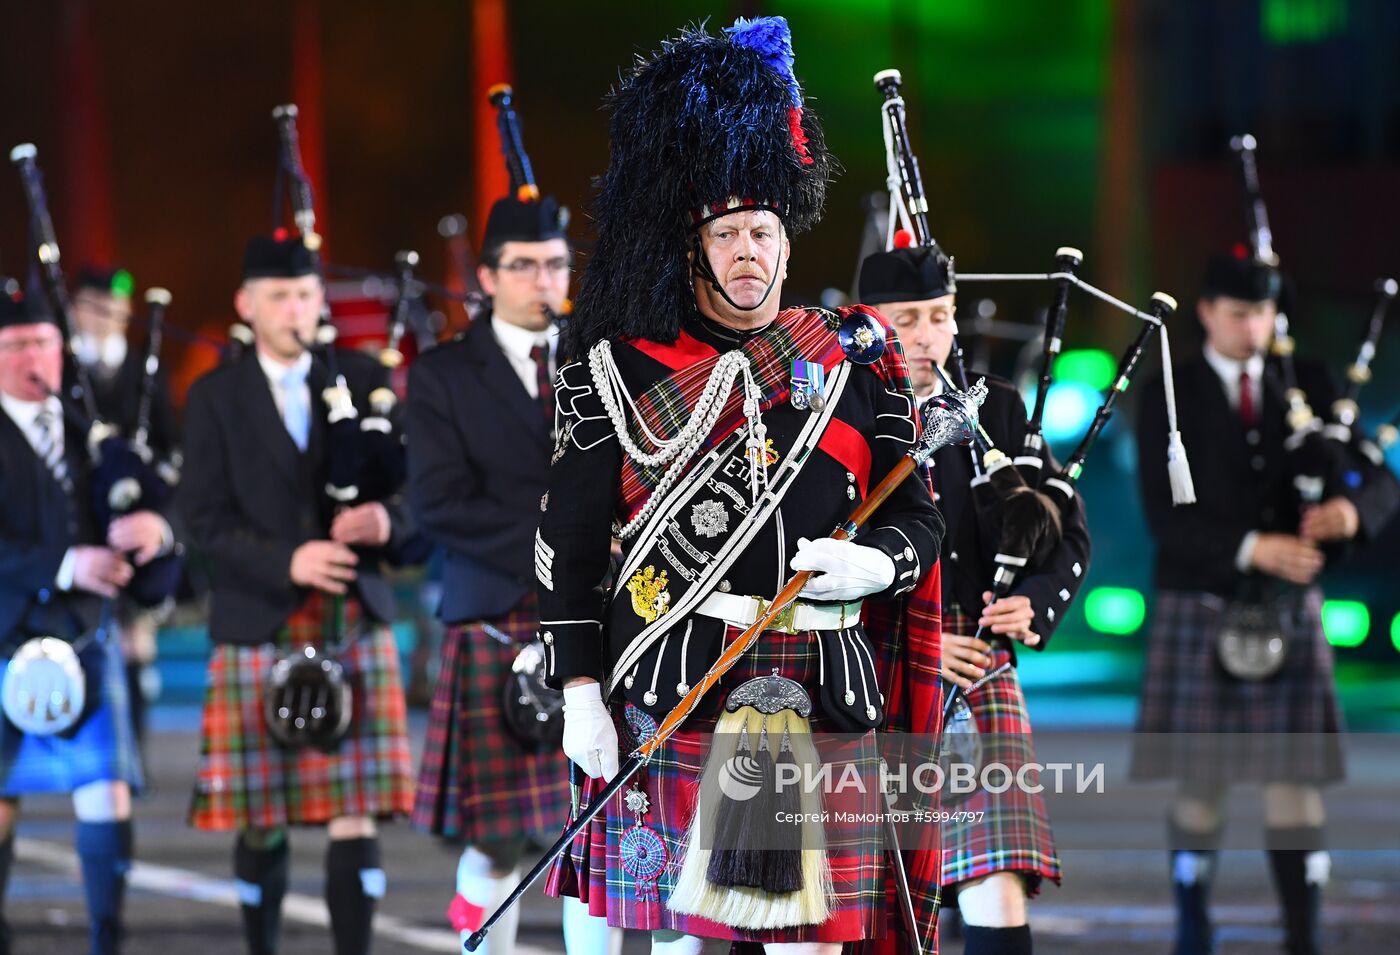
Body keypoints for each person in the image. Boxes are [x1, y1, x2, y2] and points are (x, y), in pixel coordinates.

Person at [535, 17, 948, 954]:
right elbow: (570, 537)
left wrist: (873, 566)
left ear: (789, 246)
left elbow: (919, 519)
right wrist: (579, 689)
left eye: (763, 230)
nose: (749, 251)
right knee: (681, 942)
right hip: (684, 675)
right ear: (696, 249)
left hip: (824, 681)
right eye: (728, 234)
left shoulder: (854, 362)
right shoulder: (620, 369)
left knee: (811, 942)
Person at [1133, 253, 1399, 955]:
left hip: (1288, 606)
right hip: (1202, 599)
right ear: (1208, 311)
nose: (1257, 327)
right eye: (1242, 313)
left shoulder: (1305, 381)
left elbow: (1372, 475)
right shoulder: (1169, 389)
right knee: (1202, 779)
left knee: (1295, 778)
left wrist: (1351, 511)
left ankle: (1303, 935)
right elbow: (1165, 518)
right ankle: (1194, 924)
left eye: (1268, 313)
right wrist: (1253, 546)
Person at [178, 235, 416, 955]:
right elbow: (202, 520)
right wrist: (291, 559)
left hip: (352, 614)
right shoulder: (216, 395)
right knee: (260, 815)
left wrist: (387, 519)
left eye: (307, 295)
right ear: (246, 307)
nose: (296, 309)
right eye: (279, 296)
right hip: (259, 617)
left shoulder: (362, 376)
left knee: (355, 810)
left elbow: (417, 490)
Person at [858, 245, 1091, 955]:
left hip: (977, 666)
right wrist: (917, 639)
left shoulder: (999, 407)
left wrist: (1035, 600)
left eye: (940, 316)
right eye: (907, 320)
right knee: (874, 895)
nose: (928, 336)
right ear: (870, 325)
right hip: (877, 663)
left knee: (994, 878)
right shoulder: (847, 413)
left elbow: (1066, 529)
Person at [408, 192, 616, 954]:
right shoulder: (441, 375)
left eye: (556, 264)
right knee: (499, 840)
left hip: (599, 624)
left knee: (591, 831)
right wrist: (568, 539)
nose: (543, 280)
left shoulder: (603, 361)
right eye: (523, 266)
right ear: (488, 277)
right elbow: (438, 504)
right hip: (497, 614)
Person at [0, 278, 174, 953]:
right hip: (7, 628)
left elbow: (155, 487)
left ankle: (108, 936)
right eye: (14, 345)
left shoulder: (86, 427)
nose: (31, 357)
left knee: (107, 792)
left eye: (42, 341)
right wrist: (66, 564)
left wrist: (155, 523)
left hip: (84, 631)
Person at [70, 264, 182, 762]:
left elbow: (171, 441)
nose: (113, 315)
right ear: (77, 310)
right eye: (101, 305)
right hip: (81, 521)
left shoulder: (144, 370)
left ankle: (131, 748)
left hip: (133, 517)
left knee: (136, 638)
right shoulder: (63, 369)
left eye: (120, 306)